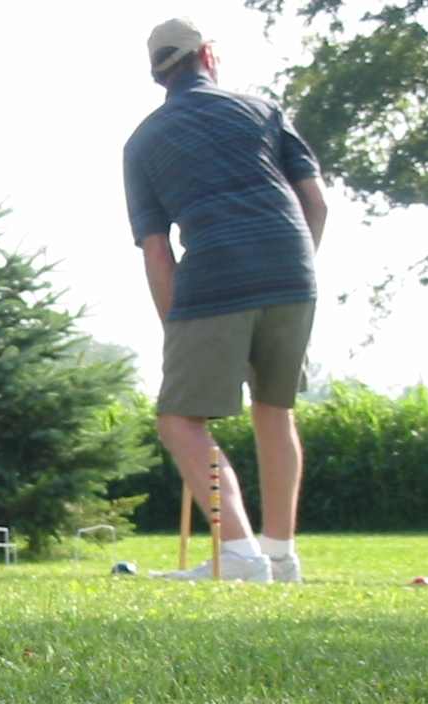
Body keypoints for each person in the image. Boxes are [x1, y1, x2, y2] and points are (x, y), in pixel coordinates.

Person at [124, 18, 326, 583]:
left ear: (157, 75)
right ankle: (280, 556)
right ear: (208, 56)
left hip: (216, 275)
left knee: (178, 420)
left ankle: (239, 554)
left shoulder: (143, 141)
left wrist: (175, 327)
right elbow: (317, 202)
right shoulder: (263, 110)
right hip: (293, 269)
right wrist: (296, 264)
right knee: (275, 410)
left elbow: (156, 249)